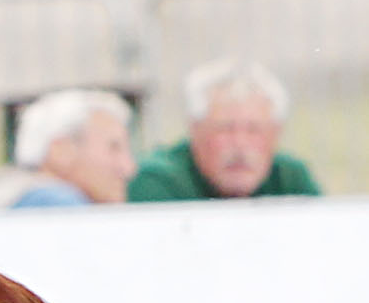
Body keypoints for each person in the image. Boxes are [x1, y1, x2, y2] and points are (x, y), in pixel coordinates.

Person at [128, 59, 322, 202]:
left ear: (276, 134)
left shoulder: (291, 179)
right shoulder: (157, 182)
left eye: (254, 130)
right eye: (225, 129)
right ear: (196, 130)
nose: (240, 144)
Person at [0, 89, 133, 210]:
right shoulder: (57, 204)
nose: (129, 168)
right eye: (114, 148)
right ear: (61, 151)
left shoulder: (15, 202)